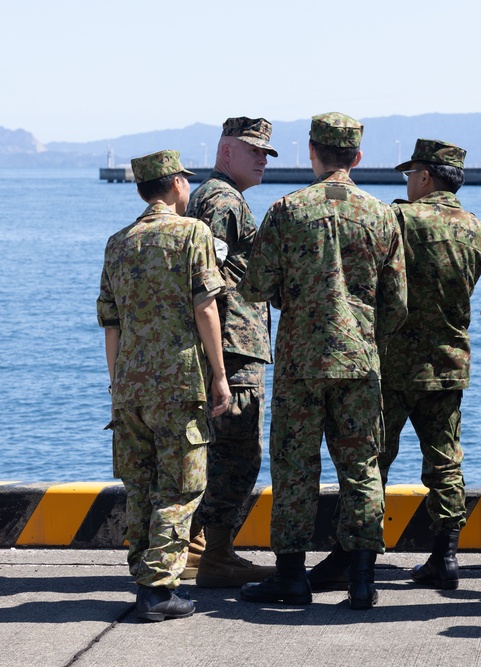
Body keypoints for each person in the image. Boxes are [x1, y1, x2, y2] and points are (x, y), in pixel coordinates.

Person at [238, 112, 407, 610]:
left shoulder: (287, 211)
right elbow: (396, 303)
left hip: (300, 363)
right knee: (362, 468)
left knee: (294, 466)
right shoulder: (381, 215)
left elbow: (254, 288)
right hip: (359, 362)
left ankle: (291, 576)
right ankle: (361, 579)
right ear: (356, 157)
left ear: (312, 151)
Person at [308, 139, 481, 593]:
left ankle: (355, 554)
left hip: (391, 364)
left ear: (425, 177)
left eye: (410, 175)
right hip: (448, 362)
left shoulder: (398, 219)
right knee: (446, 461)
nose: (407, 183)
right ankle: (445, 557)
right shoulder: (478, 231)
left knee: (370, 463)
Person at [97, 150, 231, 622]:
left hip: (129, 385)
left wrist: (117, 385)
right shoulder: (193, 232)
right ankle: (158, 589)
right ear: (175, 183)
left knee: (140, 484)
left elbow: (111, 325)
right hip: (178, 384)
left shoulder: (117, 243)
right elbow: (206, 308)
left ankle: (142, 578)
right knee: (180, 487)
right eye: (185, 181)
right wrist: (219, 375)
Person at [183, 117, 278, 587]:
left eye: (266, 152)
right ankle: (215, 555)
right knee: (239, 452)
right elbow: (209, 282)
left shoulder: (215, 196)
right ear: (225, 152)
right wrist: (218, 357)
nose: (262, 159)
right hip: (234, 346)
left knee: (224, 450)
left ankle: (200, 549)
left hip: (230, 343)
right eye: (253, 151)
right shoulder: (223, 201)